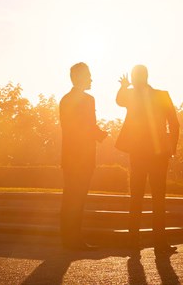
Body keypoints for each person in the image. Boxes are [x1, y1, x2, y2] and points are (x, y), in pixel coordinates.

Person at [115, 65, 180, 252]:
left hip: (142, 153)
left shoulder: (134, 95)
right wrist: (172, 148)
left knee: (137, 197)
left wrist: (124, 86)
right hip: (157, 154)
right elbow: (174, 124)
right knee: (157, 199)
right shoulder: (160, 95)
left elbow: (119, 100)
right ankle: (158, 243)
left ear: (138, 78)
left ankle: (134, 242)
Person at [59, 62, 108, 250]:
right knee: (78, 198)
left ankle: (68, 239)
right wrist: (101, 135)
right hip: (83, 155)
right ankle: (75, 240)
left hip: (69, 155)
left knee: (70, 196)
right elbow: (87, 126)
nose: (91, 79)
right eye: (88, 75)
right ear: (80, 78)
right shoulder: (88, 100)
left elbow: (71, 127)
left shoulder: (65, 99)